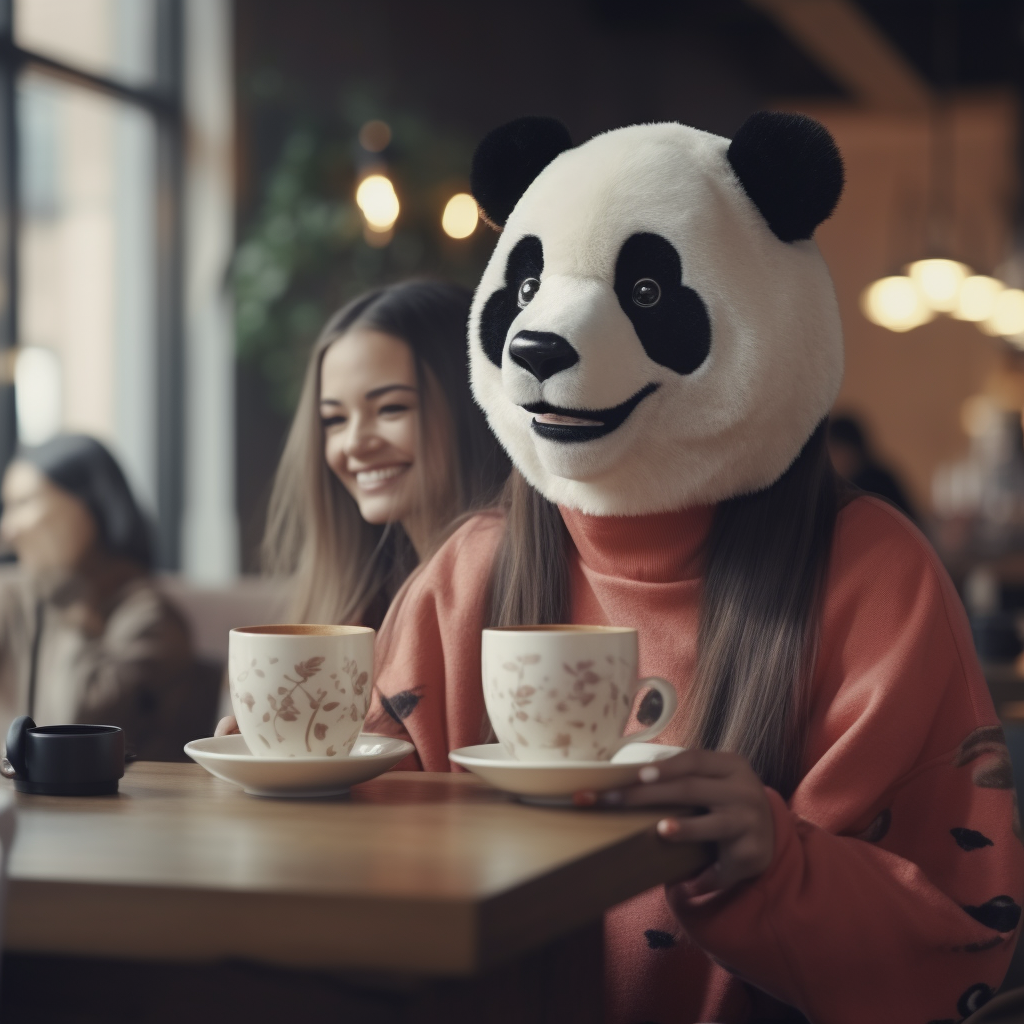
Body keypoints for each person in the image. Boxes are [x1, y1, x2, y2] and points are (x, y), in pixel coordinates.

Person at [366, 112, 1023, 1023]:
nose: (543, 335)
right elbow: (367, 848)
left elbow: (960, 938)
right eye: (530, 286)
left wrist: (776, 859)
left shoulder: (873, 574)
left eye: (641, 291)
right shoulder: (469, 569)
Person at [216, 280, 509, 735]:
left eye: (391, 408)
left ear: (471, 404)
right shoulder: (366, 598)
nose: (355, 443)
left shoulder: (493, 552)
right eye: (334, 419)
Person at [0, 434, 209, 760]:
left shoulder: (152, 620)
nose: (8, 531)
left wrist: (72, 598)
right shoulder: (18, 600)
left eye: (24, 503)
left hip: (104, 807)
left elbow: (69, 737)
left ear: (89, 507)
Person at [827, 413, 917, 519]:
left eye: (835, 451)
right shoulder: (882, 476)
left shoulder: (865, 485)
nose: (832, 461)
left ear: (851, 449)